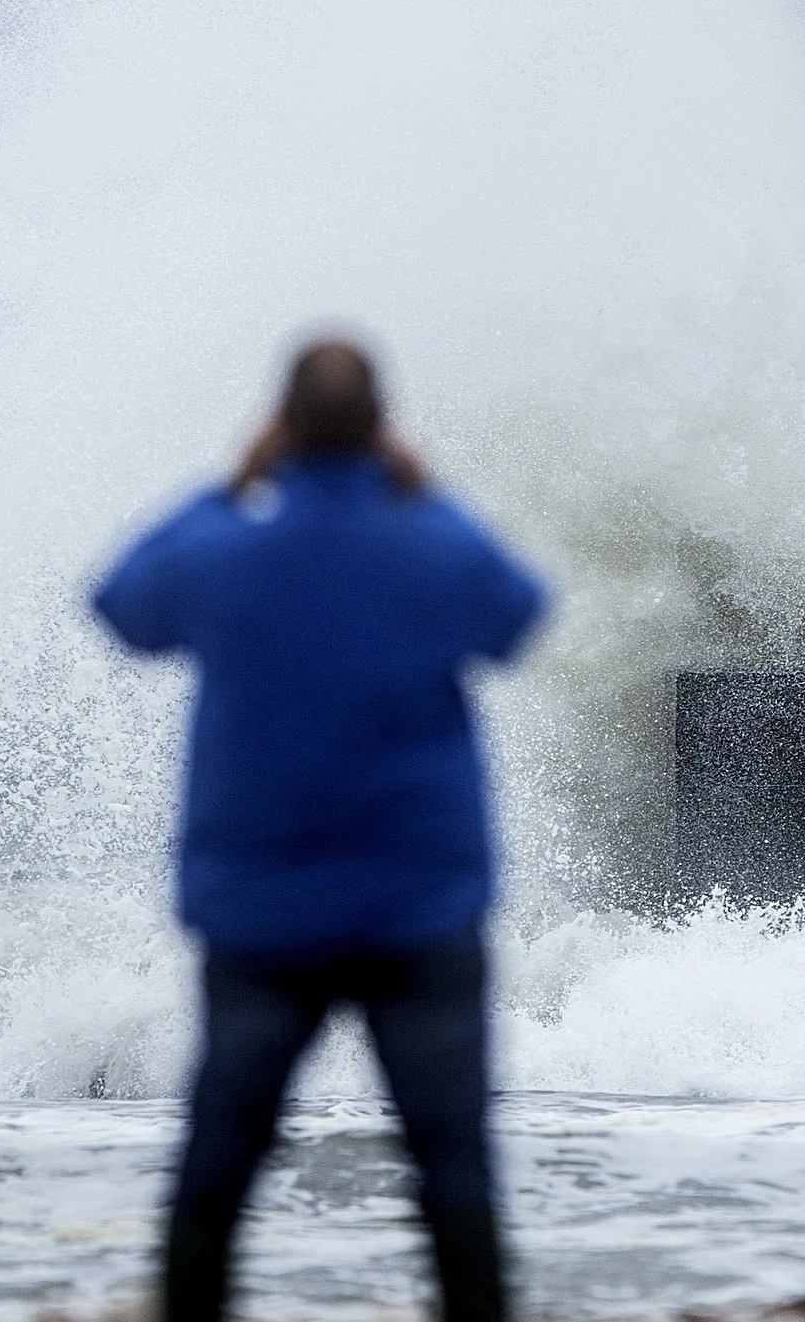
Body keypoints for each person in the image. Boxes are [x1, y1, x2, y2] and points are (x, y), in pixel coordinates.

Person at [91, 338, 547, 1322]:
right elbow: (517, 616)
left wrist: (230, 482)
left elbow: (121, 602)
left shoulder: (226, 552)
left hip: (263, 919)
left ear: (282, 429)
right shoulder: (428, 546)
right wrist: (423, 494)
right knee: (452, 1165)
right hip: (416, 913)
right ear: (383, 433)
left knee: (220, 1158)